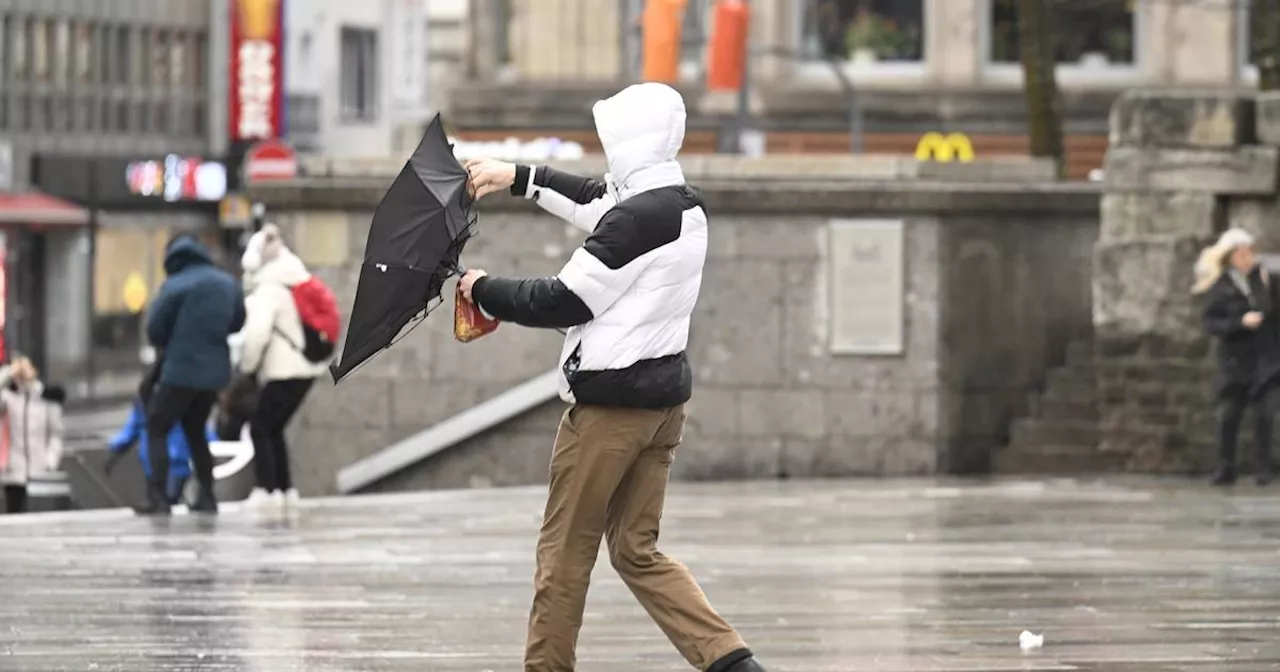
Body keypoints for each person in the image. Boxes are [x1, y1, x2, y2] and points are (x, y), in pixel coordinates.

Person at [461, 83, 768, 672]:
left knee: (563, 556)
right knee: (635, 550)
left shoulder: (635, 222)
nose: (605, 156)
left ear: (627, 144)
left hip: (608, 416)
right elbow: (597, 201)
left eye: (610, 142)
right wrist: (517, 175)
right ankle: (732, 663)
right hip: (661, 410)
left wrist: (483, 289)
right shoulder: (681, 204)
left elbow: (564, 299)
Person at [142, 234, 245, 515]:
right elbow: (238, 322)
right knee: (196, 430)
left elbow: (154, 330)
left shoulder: (174, 286)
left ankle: (159, 497)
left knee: (157, 426)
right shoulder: (227, 284)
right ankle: (207, 496)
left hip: (180, 371)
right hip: (214, 374)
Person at [238, 225, 328, 509]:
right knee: (273, 427)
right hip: (305, 369)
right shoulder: (293, 279)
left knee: (260, 427)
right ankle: (284, 490)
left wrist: (247, 367)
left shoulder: (269, 289)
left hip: (283, 370)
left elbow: (256, 335)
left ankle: (266, 491)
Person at [1196, 227, 1279, 486]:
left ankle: (1263, 467)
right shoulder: (1219, 286)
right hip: (1235, 360)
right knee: (1229, 415)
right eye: (1242, 255)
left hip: (1266, 358)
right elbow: (1211, 323)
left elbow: (1271, 312)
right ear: (1230, 257)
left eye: (1250, 254)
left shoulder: (1265, 280)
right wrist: (1240, 322)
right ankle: (1226, 466)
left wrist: (1262, 285)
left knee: (1265, 414)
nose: (1248, 260)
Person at [105, 396, 217, 506]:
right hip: (161, 465)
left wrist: (115, 450)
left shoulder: (149, 403)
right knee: (162, 501)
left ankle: (163, 505)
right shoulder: (146, 404)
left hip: (172, 465)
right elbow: (131, 430)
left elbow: (130, 431)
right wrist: (115, 450)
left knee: (163, 500)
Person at [0, 357, 64, 514]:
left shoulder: (47, 399)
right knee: (15, 514)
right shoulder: (8, 398)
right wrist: (7, 373)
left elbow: (56, 434)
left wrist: (50, 460)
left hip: (40, 469)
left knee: (40, 516)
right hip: (14, 471)